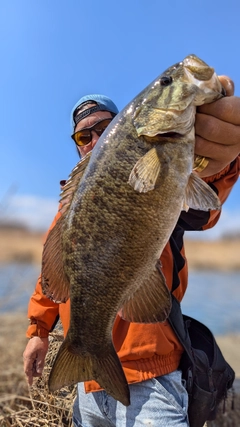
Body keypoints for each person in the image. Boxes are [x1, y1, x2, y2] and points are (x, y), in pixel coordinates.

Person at [23, 78, 240, 427]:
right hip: (87, 388)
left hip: (153, 380)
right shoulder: (68, 211)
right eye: (83, 136)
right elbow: (52, 277)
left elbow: (201, 206)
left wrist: (220, 163)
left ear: (123, 131)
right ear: (77, 145)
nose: (93, 141)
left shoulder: (154, 176)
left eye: (104, 128)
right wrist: (38, 332)